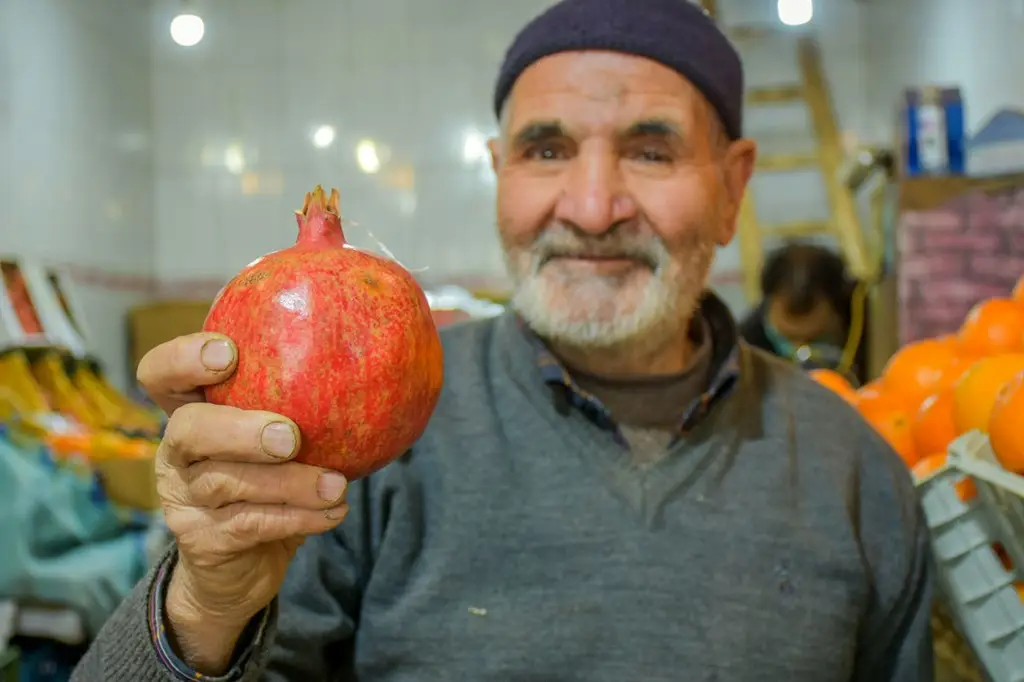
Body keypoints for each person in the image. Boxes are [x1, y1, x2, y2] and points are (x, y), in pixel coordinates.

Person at [72, 0, 935, 680]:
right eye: (548, 150)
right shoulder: (354, 455)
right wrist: (202, 611)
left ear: (732, 186)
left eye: (651, 152)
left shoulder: (855, 477)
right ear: (500, 175)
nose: (593, 209)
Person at [739, 242, 870, 383]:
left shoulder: (867, 330)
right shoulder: (745, 346)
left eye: (813, 339)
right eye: (788, 337)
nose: (800, 349)